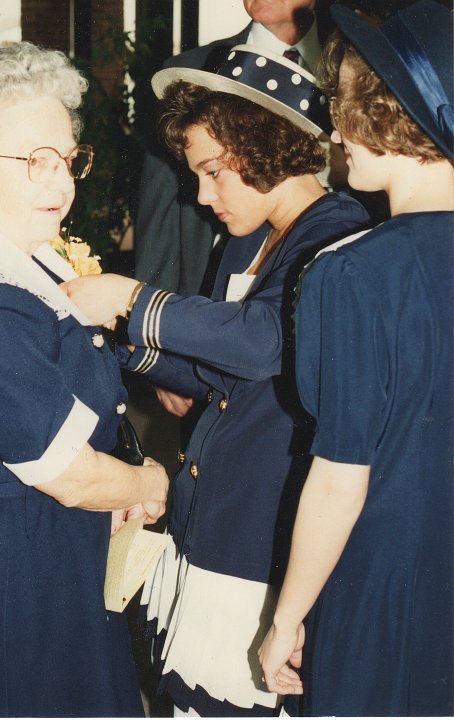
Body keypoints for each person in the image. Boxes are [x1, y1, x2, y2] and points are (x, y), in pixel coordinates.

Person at [63, 46, 370, 716]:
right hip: (212, 525)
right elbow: (213, 367)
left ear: (262, 146)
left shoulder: (335, 235)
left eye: (212, 172)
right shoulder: (247, 239)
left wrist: (131, 301)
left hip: (261, 541)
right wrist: (119, 343)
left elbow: (261, 343)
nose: (201, 195)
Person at [0, 41, 169, 717]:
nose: (62, 183)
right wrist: (150, 483)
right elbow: (71, 477)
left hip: (45, 555)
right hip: (15, 574)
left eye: (68, 160)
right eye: (33, 160)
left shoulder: (19, 261)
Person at [258, 1, 454, 715]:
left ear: (387, 117)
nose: (335, 130)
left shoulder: (351, 273)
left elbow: (340, 479)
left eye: (343, 108)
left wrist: (285, 619)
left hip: (387, 584)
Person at [135, 0, 333, 297]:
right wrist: (147, 311)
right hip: (207, 293)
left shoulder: (354, 66)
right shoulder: (190, 70)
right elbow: (161, 214)